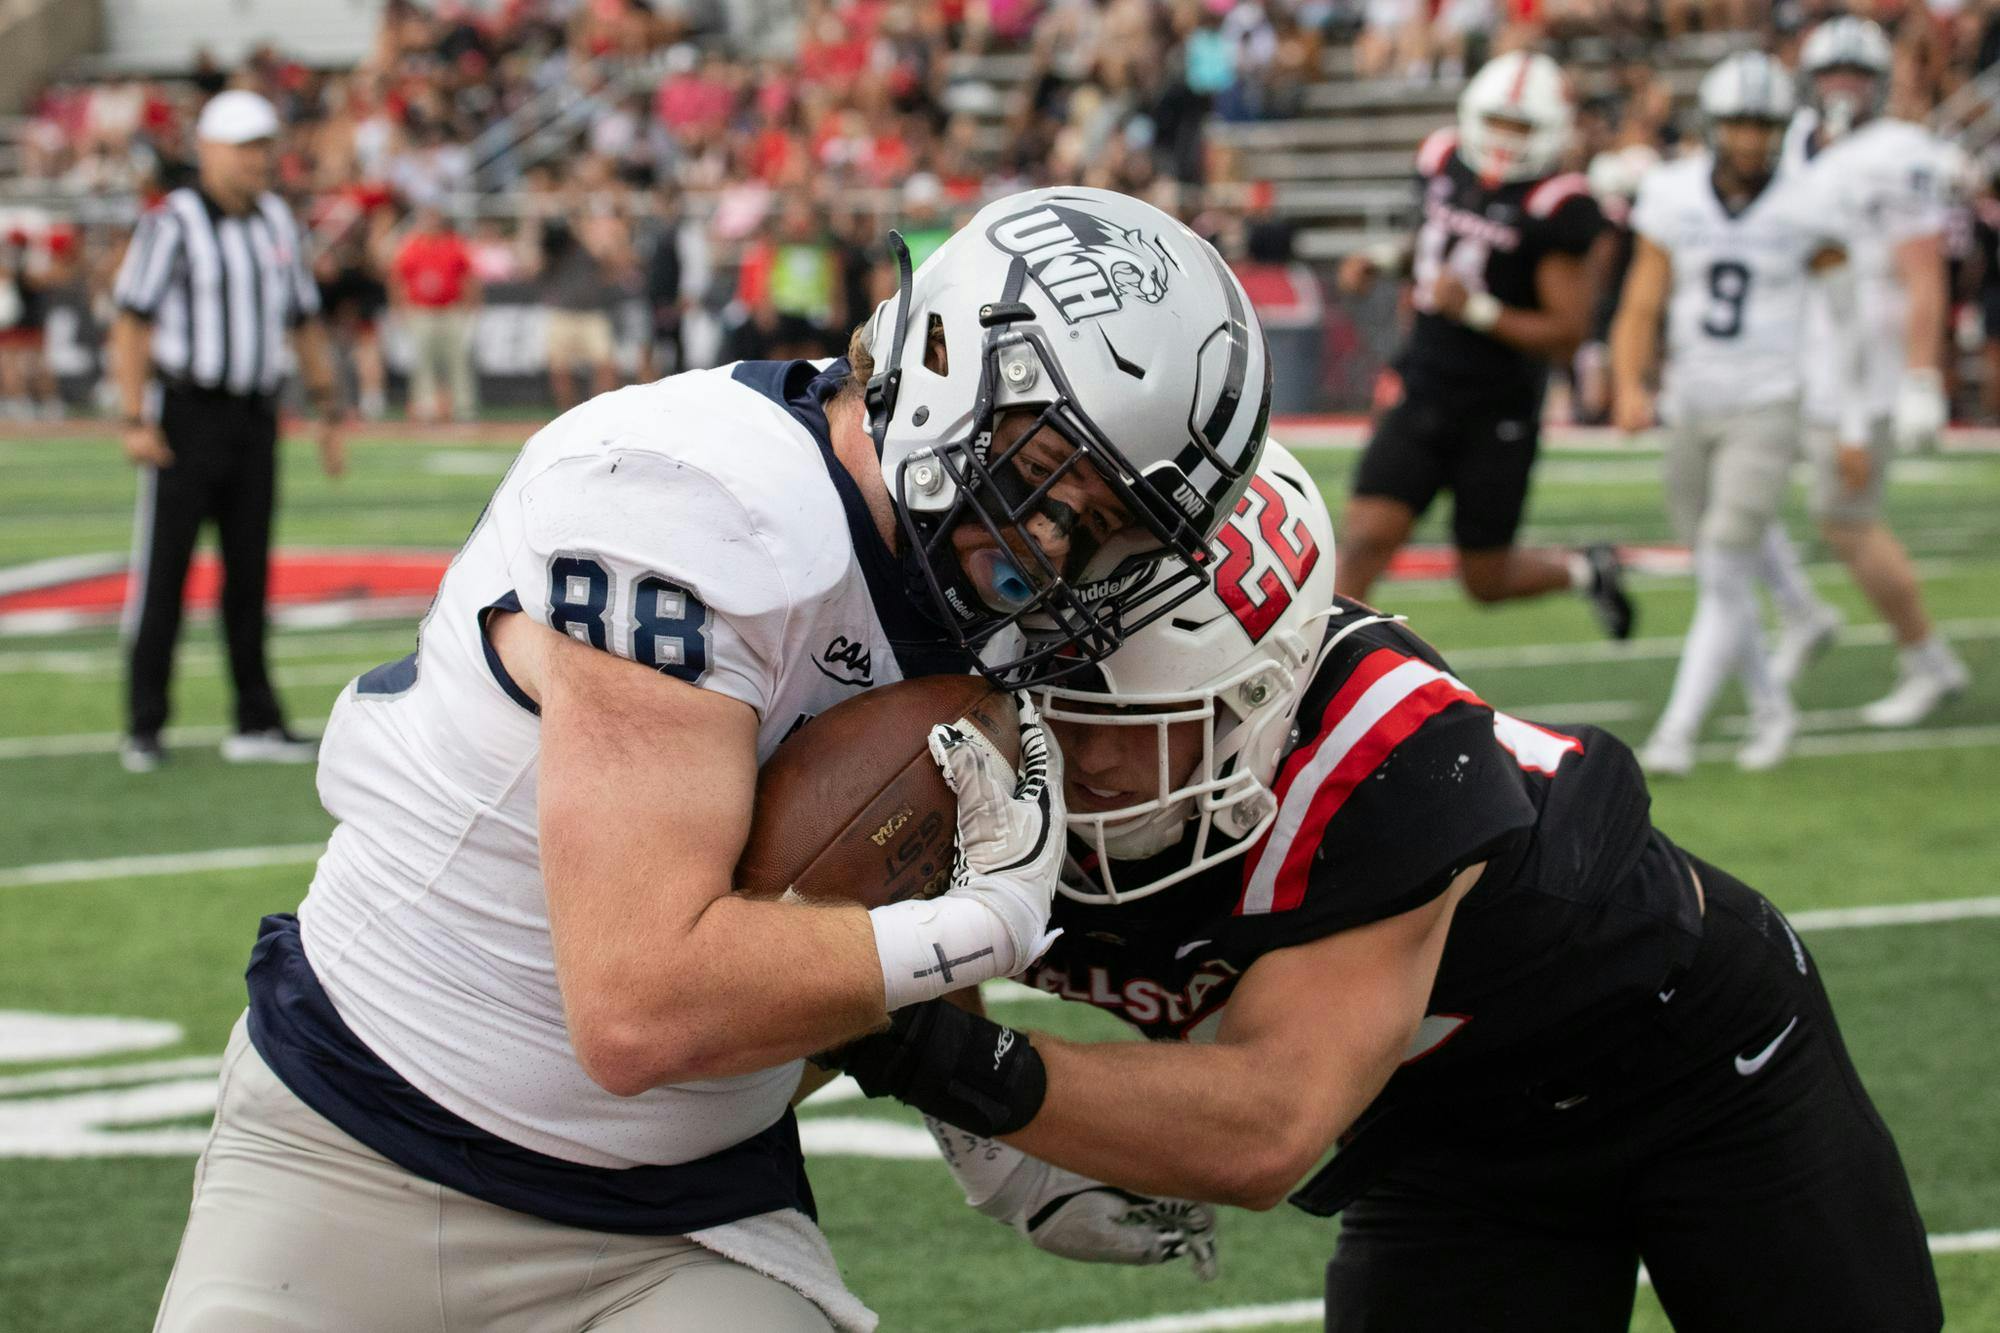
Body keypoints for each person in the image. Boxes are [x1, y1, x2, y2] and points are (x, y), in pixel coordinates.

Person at [150, 187, 1274, 1331]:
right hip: (355, 1136)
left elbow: (840, 886)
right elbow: (639, 1007)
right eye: (1048, 476)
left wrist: (972, 1103)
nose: (1054, 548)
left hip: (677, 1221)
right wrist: (975, 929)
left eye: (1106, 526)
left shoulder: (976, 593)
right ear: (944, 362)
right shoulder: (701, 496)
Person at [827, 442, 1943, 1333]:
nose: (1083, 758)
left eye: (1137, 727)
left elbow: (1266, 1123)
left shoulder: (1392, 756)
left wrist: (928, 1055)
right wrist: (994, 1155)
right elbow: (878, 906)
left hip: (1695, 1067)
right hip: (1445, 1130)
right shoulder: (983, 749)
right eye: (1055, 704)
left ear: (1257, 700)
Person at [1608, 54, 1863, 775]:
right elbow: (1642, 298)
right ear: (1714, 128)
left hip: (1767, 402)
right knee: (1722, 567)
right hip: (1692, 402)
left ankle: (1678, 732)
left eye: (1764, 127)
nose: (1751, 141)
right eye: (1740, 126)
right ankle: (1779, 692)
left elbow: (1846, 319)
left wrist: (1845, 420)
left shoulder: (1810, 202)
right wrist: (1630, 381)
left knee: (1724, 563)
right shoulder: (1674, 193)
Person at [1337, 51, 1634, 638]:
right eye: (1497, 121)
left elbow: (1566, 333)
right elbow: (1436, 251)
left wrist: (1476, 310)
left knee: (1485, 580)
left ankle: (1584, 570)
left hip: (1497, 411)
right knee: (1363, 543)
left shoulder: (1558, 205)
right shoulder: (1444, 160)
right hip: (1423, 387)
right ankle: (1325, 678)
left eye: (1520, 126)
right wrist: (1381, 261)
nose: (1504, 138)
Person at [108, 89, 346, 774]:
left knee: (249, 571)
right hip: (188, 413)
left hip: (253, 415)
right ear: (208, 151)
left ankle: (257, 718)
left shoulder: (277, 221)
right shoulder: (173, 222)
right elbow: (131, 320)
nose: (259, 159)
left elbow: (303, 320)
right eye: (244, 147)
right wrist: (134, 414)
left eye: (265, 145)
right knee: (166, 569)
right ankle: (146, 722)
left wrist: (327, 409)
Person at [1760, 17, 1972, 724]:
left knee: (1847, 520)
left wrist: (1920, 377)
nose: (1842, 90)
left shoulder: (1899, 153)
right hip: (1796, 360)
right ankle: (1804, 614)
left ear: (1879, 85)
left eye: (1856, 76)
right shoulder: (1793, 141)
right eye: (1831, 75)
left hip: (1865, 370)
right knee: (1740, 496)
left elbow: (1923, 274)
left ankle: (1927, 658)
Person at [389, 206, 480, 423]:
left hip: (450, 309)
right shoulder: (411, 246)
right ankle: (425, 406)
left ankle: (463, 407)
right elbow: (397, 279)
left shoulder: (454, 244)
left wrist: (470, 306)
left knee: (457, 360)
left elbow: (468, 277)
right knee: (422, 362)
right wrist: (399, 308)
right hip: (421, 310)